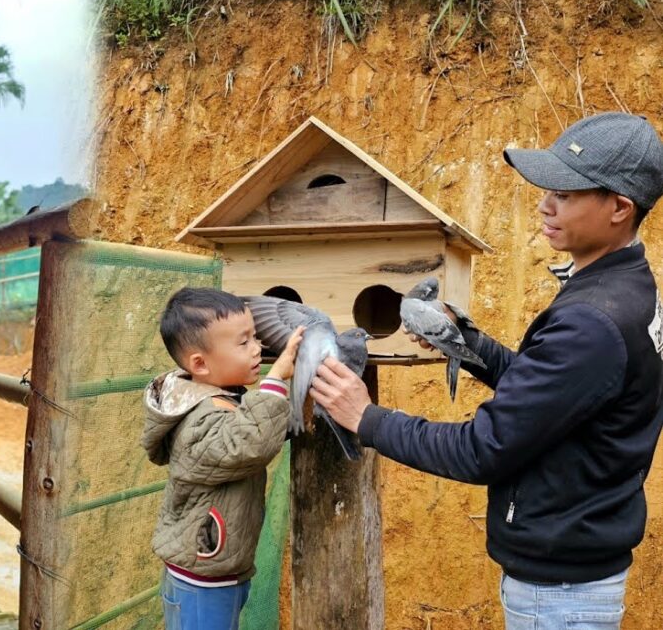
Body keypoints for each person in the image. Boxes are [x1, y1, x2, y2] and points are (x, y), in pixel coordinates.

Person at [309, 112, 663, 629]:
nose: (545, 204)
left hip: (558, 593)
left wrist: (367, 419)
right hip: (575, 567)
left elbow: (482, 450)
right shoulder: (628, 290)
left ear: (619, 208)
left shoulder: (592, 321)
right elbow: (553, 396)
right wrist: (467, 342)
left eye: (565, 193)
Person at [141, 287, 303, 630]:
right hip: (199, 578)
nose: (258, 348)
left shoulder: (221, 395)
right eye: (243, 343)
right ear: (199, 363)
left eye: (256, 337)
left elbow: (257, 428)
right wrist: (275, 381)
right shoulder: (198, 418)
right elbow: (250, 441)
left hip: (221, 569)